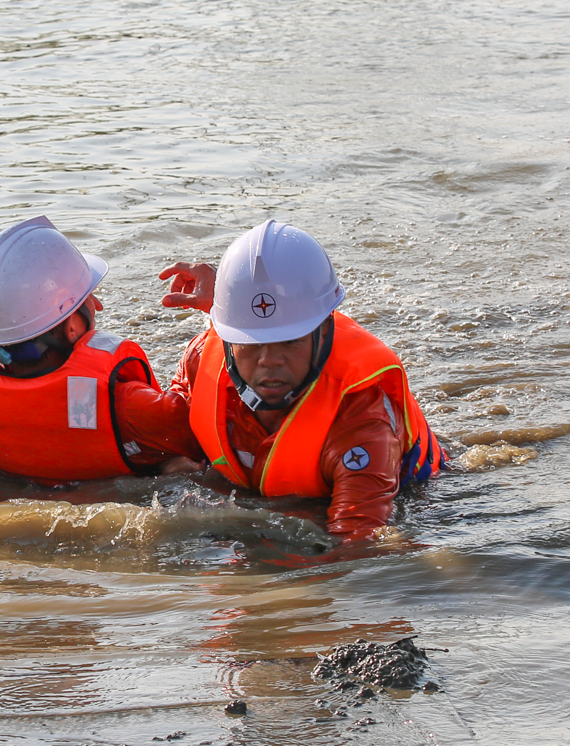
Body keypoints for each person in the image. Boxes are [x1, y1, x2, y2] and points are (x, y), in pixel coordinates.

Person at [157, 220, 445, 541]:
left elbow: (357, 545)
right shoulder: (201, 362)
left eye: (291, 340)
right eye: (251, 343)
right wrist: (172, 458)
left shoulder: (361, 421)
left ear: (323, 333)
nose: (270, 360)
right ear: (226, 341)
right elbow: (166, 428)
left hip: (422, 498)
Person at [0, 216, 198, 480]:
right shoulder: (131, 407)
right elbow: (209, 428)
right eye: (87, 297)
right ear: (72, 327)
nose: (98, 304)